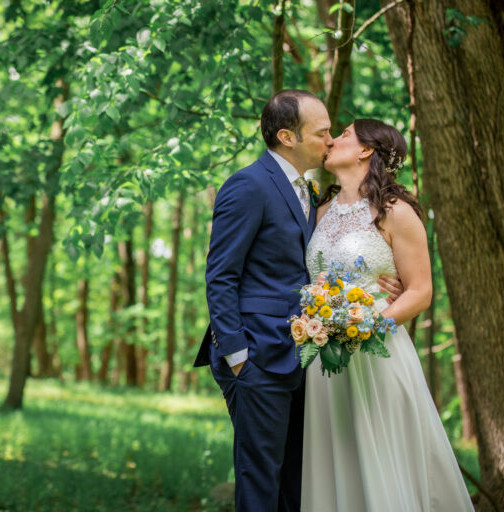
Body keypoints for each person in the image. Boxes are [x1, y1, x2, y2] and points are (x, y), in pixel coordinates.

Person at [194, 91, 402, 511]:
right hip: (256, 357)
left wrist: (372, 289)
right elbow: (221, 275)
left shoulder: (310, 194)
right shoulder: (248, 185)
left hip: (301, 356)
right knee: (260, 483)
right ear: (287, 136)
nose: (329, 140)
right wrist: (237, 355)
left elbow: (312, 268)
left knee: (296, 483)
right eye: (322, 131)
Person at [301, 118, 474, 511]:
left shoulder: (395, 211)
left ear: (365, 150)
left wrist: (369, 326)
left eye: (343, 134)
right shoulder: (320, 210)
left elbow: (420, 291)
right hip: (325, 359)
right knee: (336, 460)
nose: (331, 140)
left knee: (383, 459)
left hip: (377, 352)